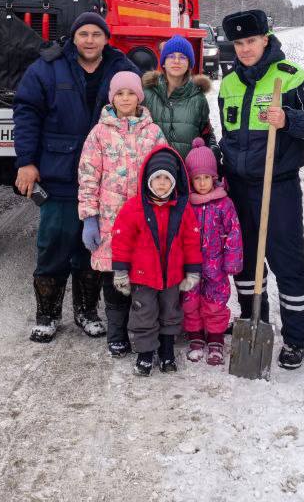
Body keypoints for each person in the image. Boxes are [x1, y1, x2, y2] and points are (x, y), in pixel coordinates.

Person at [13, 11, 139, 343]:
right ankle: (47, 315)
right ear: (73, 37)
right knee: (53, 242)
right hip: (59, 171)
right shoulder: (48, 67)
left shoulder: (122, 68)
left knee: (92, 247)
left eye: (96, 34)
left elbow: (139, 112)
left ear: (106, 38)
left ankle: (87, 312)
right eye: (83, 34)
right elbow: (26, 111)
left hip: (107, 178)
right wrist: (26, 162)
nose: (90, 40)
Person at [216, 9, 304, 370]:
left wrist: (289, 119)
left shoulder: (292, 79)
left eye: (251, 41)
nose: (245, 49)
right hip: (239, 187)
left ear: (266, 39)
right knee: (244, 261)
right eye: (239, 42)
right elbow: (227, 134)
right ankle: (252, 319)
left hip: (277, 187)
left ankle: (296, 337)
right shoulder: (229, 84)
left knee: (287, 261)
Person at [77, 71, 166, 357]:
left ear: (139, 97)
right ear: (112, 98)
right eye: (119, 94)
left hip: (145, 220)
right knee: (114, 279)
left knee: (141, 279)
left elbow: (165, 172)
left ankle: (139, 331)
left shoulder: (153, 132)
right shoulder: (99, 133)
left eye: (130, 93)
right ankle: (116, 334)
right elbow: (88, 176)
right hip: (110, 221)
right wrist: (90, 218)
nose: (125, 98)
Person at [109, 146, 202, 376]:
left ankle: (167, 351)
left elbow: (191, 241)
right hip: (143, 277)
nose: (162, 183)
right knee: (144, 314)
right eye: (157, 177)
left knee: (170, 312)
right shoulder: (133, 208)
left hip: (172, 276)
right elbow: (121, 241)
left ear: (174, 183)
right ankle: (145, 354)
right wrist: (121, 271)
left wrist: (192, 271)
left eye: (167, 179)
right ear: (147, 180)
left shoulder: (182, 210)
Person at [180, 138, 242, 366]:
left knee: (215, 302)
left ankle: (215, 338)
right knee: (190, 301)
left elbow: (234, 232)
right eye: (197, 178)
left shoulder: (224, 204)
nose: (203, 183)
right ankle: (196, 336)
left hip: (216, 266)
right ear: (190, 179)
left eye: (207, 177)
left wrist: (233, 260)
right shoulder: (186, 204)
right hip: (191, 266)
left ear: (214, 177)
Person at [141, 34, 215, 159]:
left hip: (186, 172)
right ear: (163, 63)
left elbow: (206, 134)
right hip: (154, 173)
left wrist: (212, 154)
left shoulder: (198, 98)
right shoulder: (147, 93)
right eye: (171, 56)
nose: (176, 61)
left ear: (189, 64)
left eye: (182, 57)